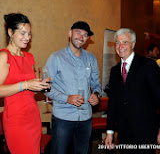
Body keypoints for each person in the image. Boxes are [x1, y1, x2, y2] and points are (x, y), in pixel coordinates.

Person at [45, 21, 101, 154]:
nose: (81, 37)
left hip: (85, 118)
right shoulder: (55, 58)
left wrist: (96, 95)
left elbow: (96, 84)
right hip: (63, 117)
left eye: (85, 35)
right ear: (70, 33)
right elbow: (45, 88)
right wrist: (67, 98)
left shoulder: (91, 59)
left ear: (88, 38)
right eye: (78, 32)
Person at [0, 13, 51, 154]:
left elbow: (28, 90)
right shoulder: (4, 56)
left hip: (33, 116)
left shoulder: (29, 57)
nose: (27, 38)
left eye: (29, 34)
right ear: (10, 32)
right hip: (16, 120)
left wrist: (39, 85)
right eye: (22, 33)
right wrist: (26, 84)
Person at [105, 28, 160, 154]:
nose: (120, 46)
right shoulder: (114, 71)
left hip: (146, 131)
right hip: (124, 133)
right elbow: (112, 103)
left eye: (125, 42)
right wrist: (110, 132)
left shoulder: (148, 65)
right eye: (117, 43)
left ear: (133, 44)